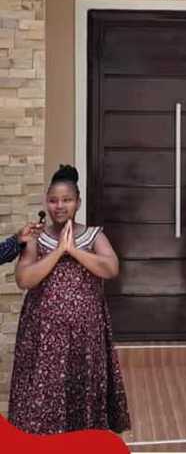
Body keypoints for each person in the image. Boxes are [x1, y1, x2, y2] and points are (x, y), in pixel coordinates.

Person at [8, 165, 130, 434]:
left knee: (81, 391)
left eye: (66, 200)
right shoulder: (35, 238)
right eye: (53, 200)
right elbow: (25, 279)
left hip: (85, 336)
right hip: (42, 337)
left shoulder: (94, 235)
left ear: (78, 203)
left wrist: (74, 250)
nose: (59, 206)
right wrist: (58, 252)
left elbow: (110, 268)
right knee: (42, 395)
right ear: (46, 203)